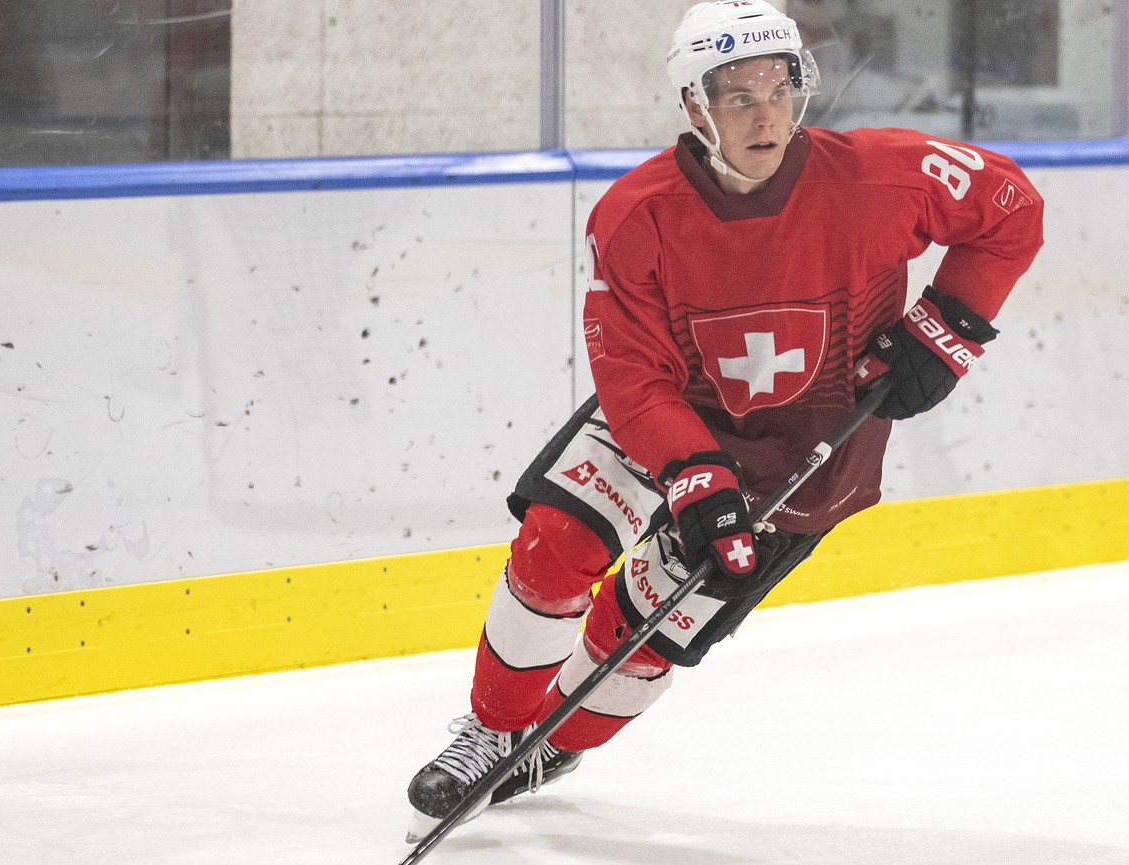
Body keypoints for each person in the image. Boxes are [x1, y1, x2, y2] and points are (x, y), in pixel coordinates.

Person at [404, 0, 1044, 841]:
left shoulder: (881, 174)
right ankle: (492, 726)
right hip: (665, 420)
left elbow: (1010, 206)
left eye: (778, 86)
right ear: (693, 106)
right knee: (558, 544)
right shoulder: (637, 214)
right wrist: (690, 469)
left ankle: (546, 745)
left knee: (655, 629)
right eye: (735, 94)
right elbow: (631, 372)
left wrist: (951, 324)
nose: (763, 111)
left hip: (805, 456)